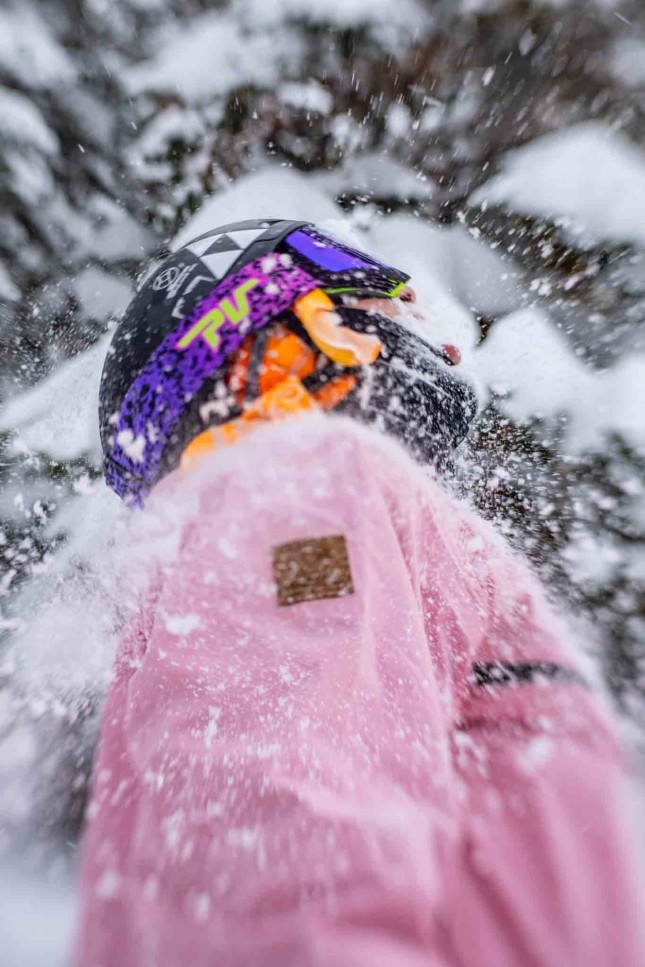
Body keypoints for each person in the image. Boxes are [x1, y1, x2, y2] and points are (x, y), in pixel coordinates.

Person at [76, 219, 644, 966]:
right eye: (389, 299)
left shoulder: (294, 506)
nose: (439, 341)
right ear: (295, 316)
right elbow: (280, 817)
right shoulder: (298, 487)